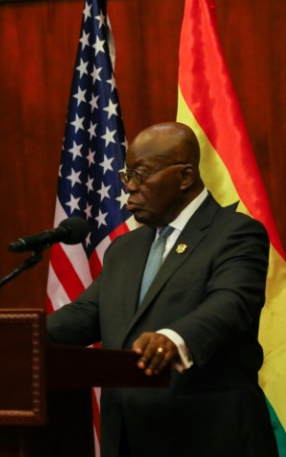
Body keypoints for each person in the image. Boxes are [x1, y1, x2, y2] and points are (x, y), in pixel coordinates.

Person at [47, 122, 278, 457]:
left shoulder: (236, 234)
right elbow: (88, 313)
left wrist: (174, 338)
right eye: (127, 176)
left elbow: (231, 303)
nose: (129, 189)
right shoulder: (125, 249)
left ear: (184, 177)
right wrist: (24, 334)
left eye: (140, 174)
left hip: (208, 437)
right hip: (129, 438)